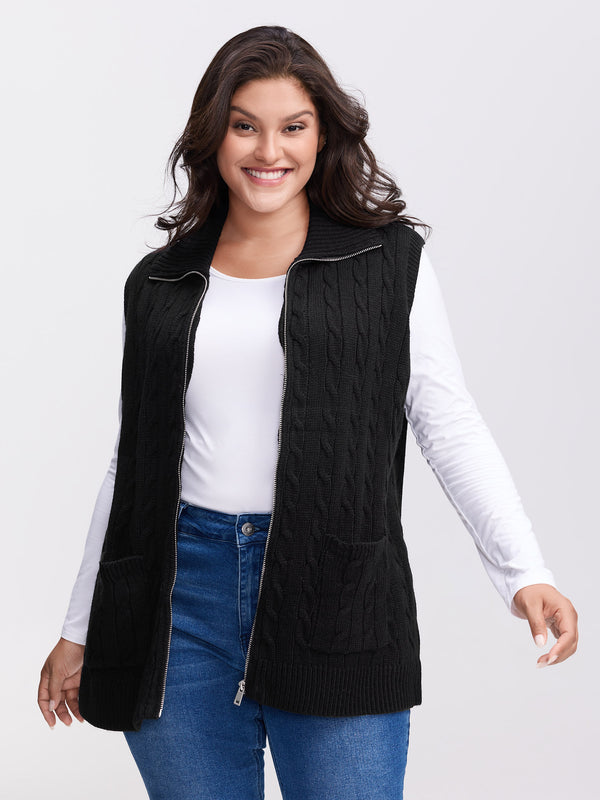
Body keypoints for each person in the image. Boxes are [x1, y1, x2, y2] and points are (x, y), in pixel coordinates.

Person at [38, 25, 578, 800]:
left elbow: (446, 422)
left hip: (339, 599)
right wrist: (79, 628)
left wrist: (524, 571)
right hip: (176, 607)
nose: (270, 150)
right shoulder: (159, 283)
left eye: (292, 127)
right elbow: (133, 465)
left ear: (322, 136)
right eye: (245, 126)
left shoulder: (388, 263)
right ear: (214, 135)